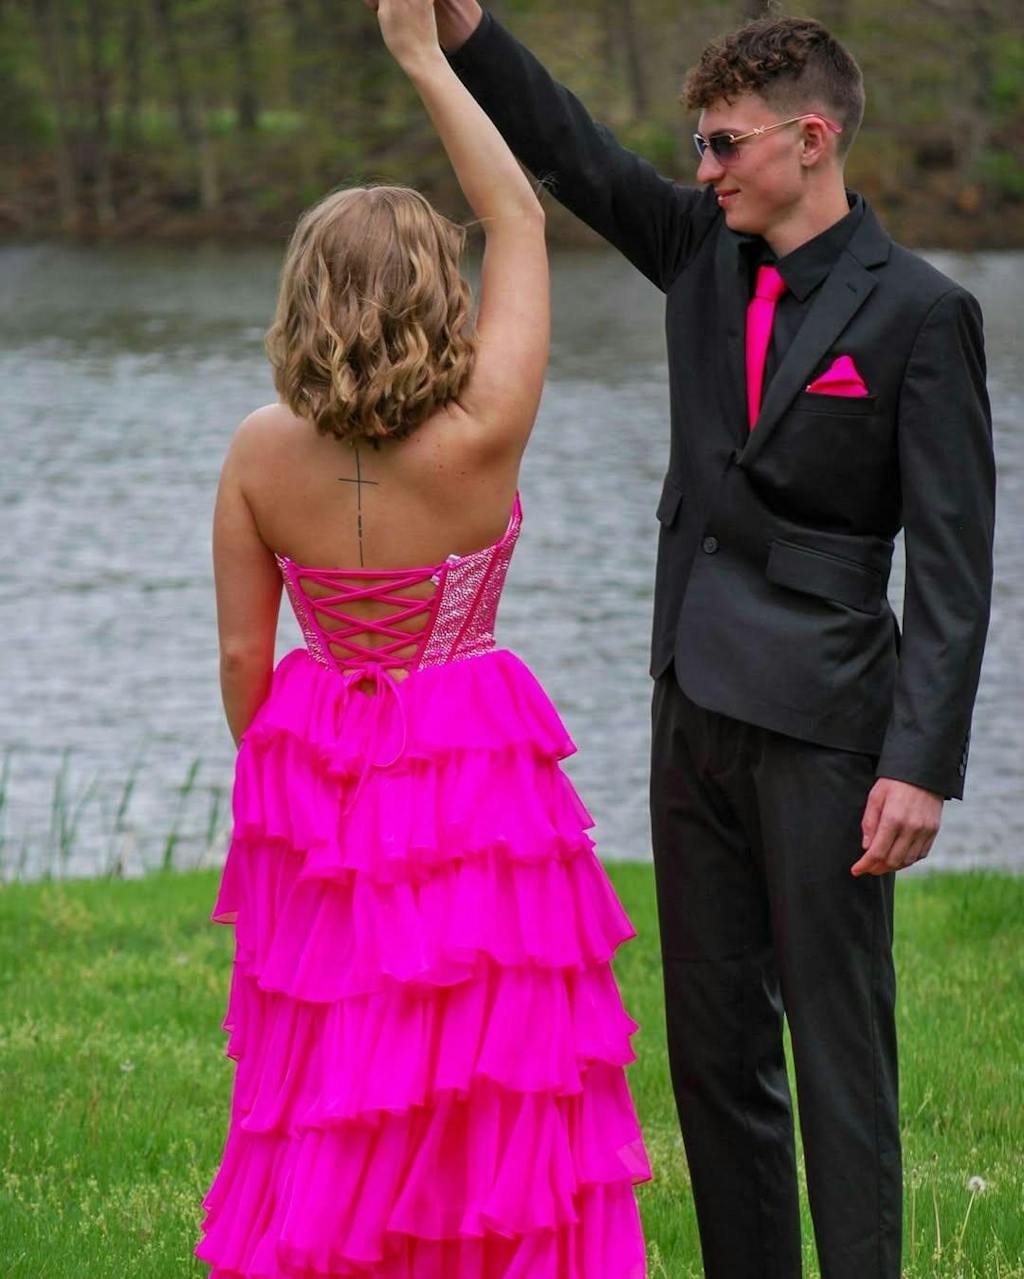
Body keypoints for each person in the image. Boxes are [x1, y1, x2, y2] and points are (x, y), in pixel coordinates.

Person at [431, 4, 996, 1278]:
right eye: (698, 142)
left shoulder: (921, 313)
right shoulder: (697, 250)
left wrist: (919, 763)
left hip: (826, 726)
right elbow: (572, 152)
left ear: (811, 139)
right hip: (690, 702)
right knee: (714, 1047)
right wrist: (467, 33)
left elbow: (953, 568)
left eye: (725, 143)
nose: (703, 167)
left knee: (840, 1054)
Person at [193, 0, 652, 1274]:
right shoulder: (484, 430)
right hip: (475, 766)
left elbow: (241, 661)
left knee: (335, 1056)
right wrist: (421, 51)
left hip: (320, 766)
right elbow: (519, 217)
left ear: (303, 295)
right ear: (435, 295)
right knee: (490, 1060)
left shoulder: (257, 453)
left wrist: (289, 773)